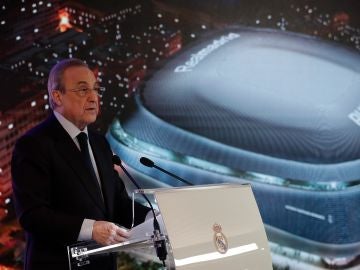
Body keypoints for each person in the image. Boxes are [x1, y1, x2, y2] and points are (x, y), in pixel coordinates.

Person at [11, 58, 150, 270]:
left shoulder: (99, 143)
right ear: (57, 96)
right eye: (83, 90)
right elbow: (32, 215)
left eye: (96, 89)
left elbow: (118, 204)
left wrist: (154, 217)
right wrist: (90, 229)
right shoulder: (33, 145)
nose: (94, 97)